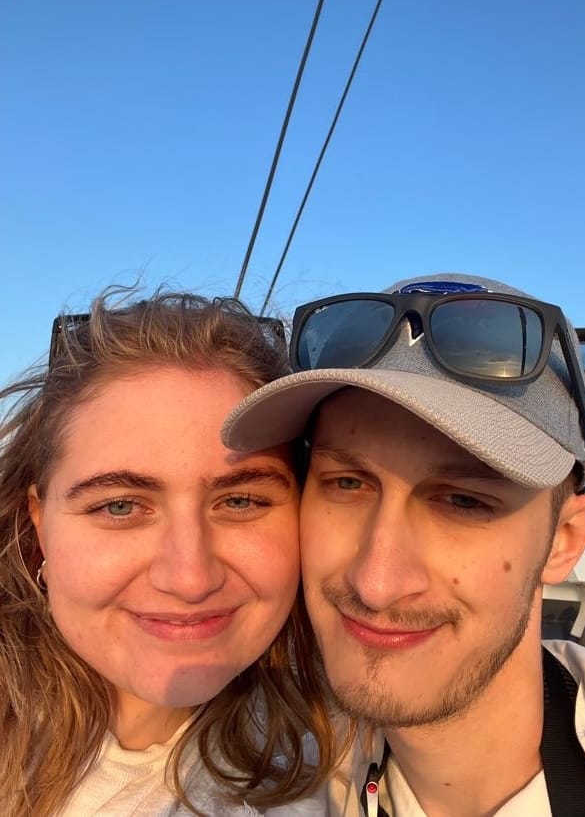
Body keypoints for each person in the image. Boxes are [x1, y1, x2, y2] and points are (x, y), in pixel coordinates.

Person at [223, 273, 585, 817]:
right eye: (347, 483)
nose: (377, 583)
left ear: (565, 539)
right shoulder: (260, 762)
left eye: (463, 501)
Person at [0, 287, 336, 817]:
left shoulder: (344, 757)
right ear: (40, 526)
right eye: (119, 507)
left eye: (240, 500)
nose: (189, 578)